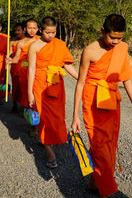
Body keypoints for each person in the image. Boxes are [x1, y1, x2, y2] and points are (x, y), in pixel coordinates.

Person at [71, 14, 132, 197]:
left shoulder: (121, 49)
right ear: (103, 31)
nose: (116, 42)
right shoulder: (90, 51)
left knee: (108, 145)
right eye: (112, 37)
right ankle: (108, 190)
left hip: (111, 102)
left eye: (120, 38)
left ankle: (95, 183)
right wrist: (75, 116)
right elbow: (80, 83)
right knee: (99, 145)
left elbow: (125, 78)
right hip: (92, 102)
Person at [27, 17, 78, 168]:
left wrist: (80, 78)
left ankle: (51, 139)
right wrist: (30, 92)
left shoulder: (60, 44)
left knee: (57, 117)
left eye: (54, 32)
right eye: (48, 32)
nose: (51, 35)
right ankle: (50, 153)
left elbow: (67, 64)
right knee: (44, 118)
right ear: (41, 31)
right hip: (40, 84)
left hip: (56, 84)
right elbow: (31, 69)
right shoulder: (34, 46)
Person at [5, 19, 39, 117]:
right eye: (29, 28)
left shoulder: (41, 41)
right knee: (26, 92)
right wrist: (10, 61)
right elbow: (16, 58)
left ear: (38, 29)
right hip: (25, 70)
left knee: (36, 92)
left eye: (34, 28)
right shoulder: (21, 43)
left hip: (38, 69)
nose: (32, 30)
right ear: (25, 29)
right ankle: (30, 113)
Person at [8, 22, 25, 112]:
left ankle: (24, 104)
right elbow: (10, 53)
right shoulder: (13, 42)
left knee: (24, 86)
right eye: (16, 31)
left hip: (24, 65)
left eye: (19, 30)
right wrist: (8, 58)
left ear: (24, 30)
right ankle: (14, 104)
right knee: (15, 85)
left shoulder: (28, 41)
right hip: (15, 65)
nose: (17, 32)